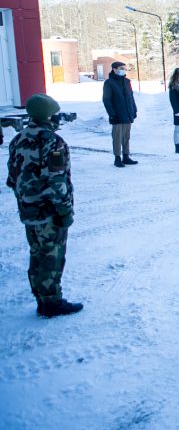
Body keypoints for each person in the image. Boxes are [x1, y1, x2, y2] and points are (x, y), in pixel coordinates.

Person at [6, 94, 83, 318]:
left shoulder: (18, 139)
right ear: (48, 116)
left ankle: (41, 297)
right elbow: (57, 180)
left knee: (37, 253)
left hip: (29, 211)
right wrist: (64, 210)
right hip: (49, 212)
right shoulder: (53, 142)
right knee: (52, 255)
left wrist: (25, 201)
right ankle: (52, 302)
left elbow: (12, 178)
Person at [102, 60, 138, 168]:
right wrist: (112, 114)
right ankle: (117, 158)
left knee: (126, 136)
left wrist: (134, 110)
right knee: (117, 137)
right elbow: (106, 100)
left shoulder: (127, 81)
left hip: (128, 113)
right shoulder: (109, 83)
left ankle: (126, 156)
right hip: (117, 114)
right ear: (114, 69)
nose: (123, 70)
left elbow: (131, 96)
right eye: (121, 68)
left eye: (124, 68)